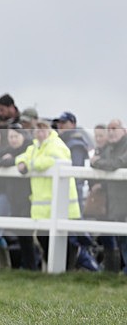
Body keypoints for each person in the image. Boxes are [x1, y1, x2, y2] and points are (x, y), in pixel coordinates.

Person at [15, 120, 81, 269]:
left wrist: (30, 165)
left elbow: (53, 160)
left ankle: (66, 266)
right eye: (37, 130)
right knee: (42, 236)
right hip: (43, 203)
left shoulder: (57, 144)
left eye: (43, 130)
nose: (40, 133)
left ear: (49, 131)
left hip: (60, 201)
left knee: (61, 238)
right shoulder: (34, 147)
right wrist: (22, 163)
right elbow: (22, 157)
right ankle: (56, 265)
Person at [55, 111, 99, 271]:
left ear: (72, 124)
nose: (60, 126)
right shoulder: (63, 142)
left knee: (74, 234)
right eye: (59, 123)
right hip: (66, 193)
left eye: (64, 123)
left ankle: (92, 266)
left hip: (74, 195)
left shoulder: (76, 143)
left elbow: (76, 174)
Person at [0, 125, 37, 270]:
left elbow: (22, 161)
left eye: (16, 136)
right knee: (21, 233)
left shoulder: (29, 148)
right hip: (15, 197)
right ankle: (27, 264)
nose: (13, 140)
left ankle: (31, 265)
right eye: (10, 137)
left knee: (28, 233)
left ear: (23, 136)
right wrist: (4, 158)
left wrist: (7, 161)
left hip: (28, 196)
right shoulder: (9, 149)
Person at [90, 119, 127, 273]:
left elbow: (116, 164)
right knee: (121, 239)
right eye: (109, 129)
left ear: (123, 130)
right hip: (115, 202)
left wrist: (97, 163)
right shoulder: (110, 148)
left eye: (115, 128)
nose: (111, 132)